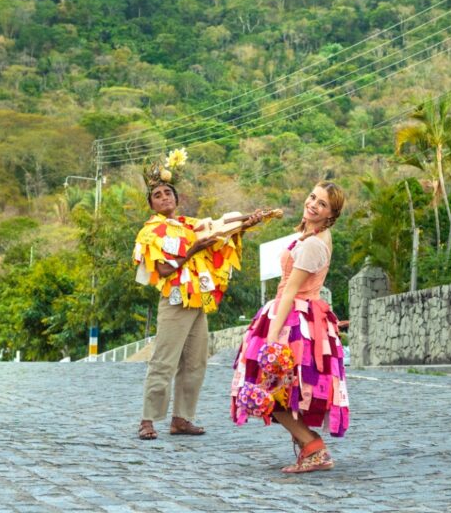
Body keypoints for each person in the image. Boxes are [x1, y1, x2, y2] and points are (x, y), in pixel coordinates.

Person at [133, 149, 261, 440]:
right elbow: (163, 270)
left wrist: (248, 220)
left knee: (195, 361)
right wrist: (192, 250)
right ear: (151, 204)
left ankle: (181, 418)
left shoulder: (190, 225)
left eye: (168, 193)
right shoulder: (151, 232)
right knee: (164, 361)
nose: (164, 197)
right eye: (157, 195)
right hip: (175, 300)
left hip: (197, 301)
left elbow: (219, 226)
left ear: (176, 198)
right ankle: (148, 420)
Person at [230, 182, 348, 474]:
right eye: (312, 197)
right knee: (284, 388)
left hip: (293, 320)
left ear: (331, 214)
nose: (313, 205)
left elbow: (291, 290)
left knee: (272, 387)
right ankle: (308, 444)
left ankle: (312, 446)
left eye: (322, 204)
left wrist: (271, 339)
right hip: (296, 314)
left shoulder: (313, 244)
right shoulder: (312, 236)